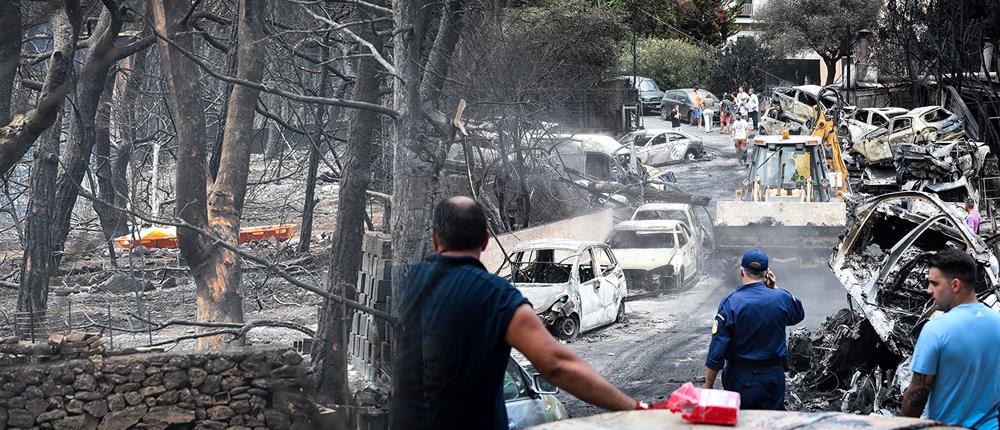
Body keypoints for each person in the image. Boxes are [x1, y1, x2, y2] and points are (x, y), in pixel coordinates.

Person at [391, 197, 641, 429]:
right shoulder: (497, 296)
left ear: (435, 239)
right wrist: (634, 408)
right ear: (486, 240)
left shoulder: (402, 283)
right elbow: (555, 365)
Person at [900, 249, 1000, 429]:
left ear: (955, 285)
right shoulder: (997, 323)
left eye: (934, 284)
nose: (929, 290)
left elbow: (917, 396)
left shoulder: (936, 329)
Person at [704, 249, 805, 410]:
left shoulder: (730, 302)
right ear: (767, 273)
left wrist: (708, 387)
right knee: (772, 423)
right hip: (772, 378)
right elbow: (797, 315)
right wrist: (775, 288)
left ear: (741, 270)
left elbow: (717, 351)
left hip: (739, 379)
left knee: (741, 422)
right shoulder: (781, 298)